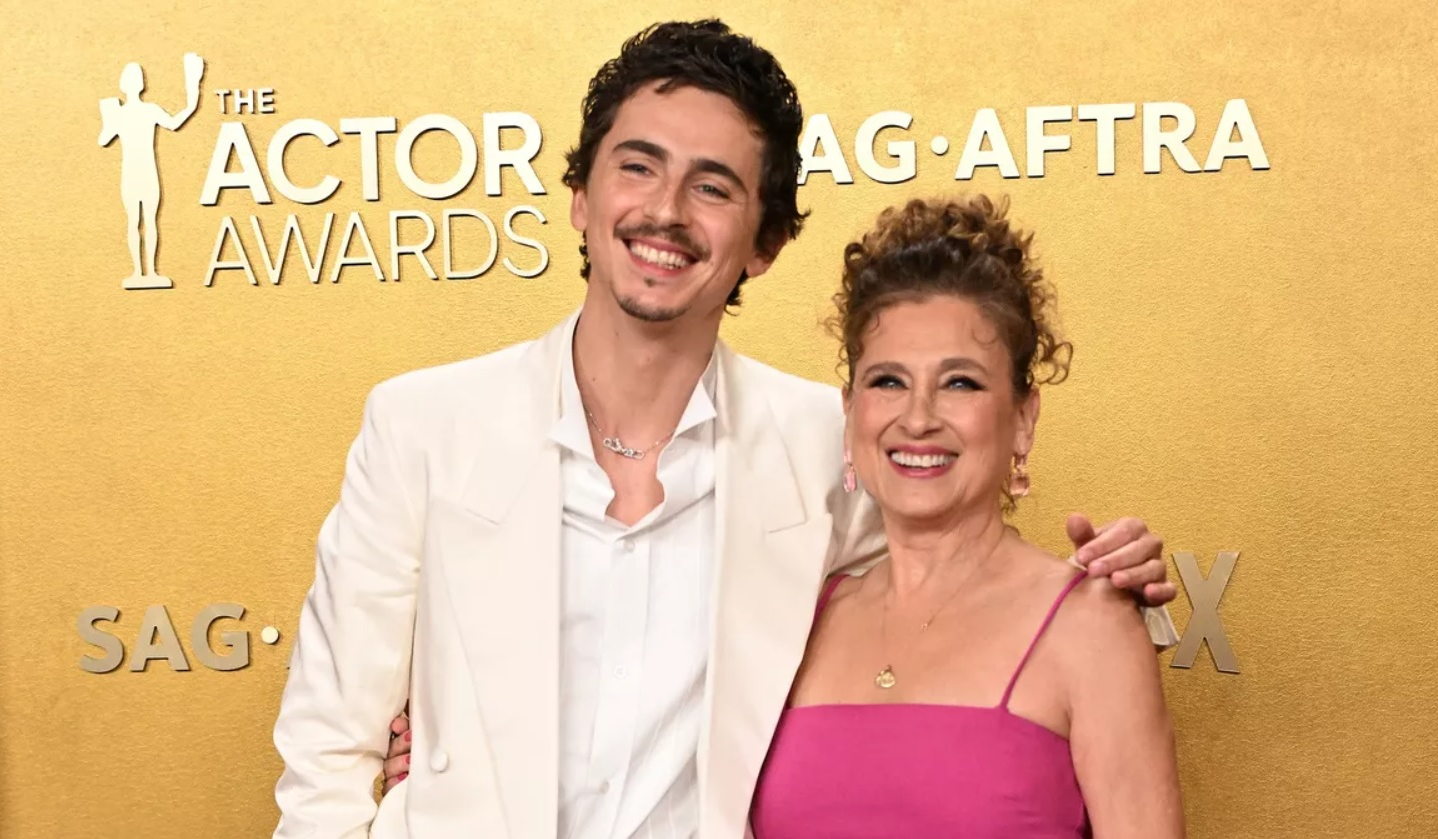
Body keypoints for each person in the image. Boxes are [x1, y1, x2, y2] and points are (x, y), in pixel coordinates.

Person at [273, 20, 1176, 839]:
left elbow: (954, 589)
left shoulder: (828, 444)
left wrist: (1116, 589)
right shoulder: (424, 426)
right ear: (581, 195)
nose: (665, 210)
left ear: (765, 243)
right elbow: (327, 750)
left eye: (712, 186)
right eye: (637, 166)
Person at [745, 195, 1184, 837]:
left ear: (1023, 418)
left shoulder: (1091, 627)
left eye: (960, 383)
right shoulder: (804, 619)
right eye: (888, 381)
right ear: (849, 413)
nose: (918, 417)